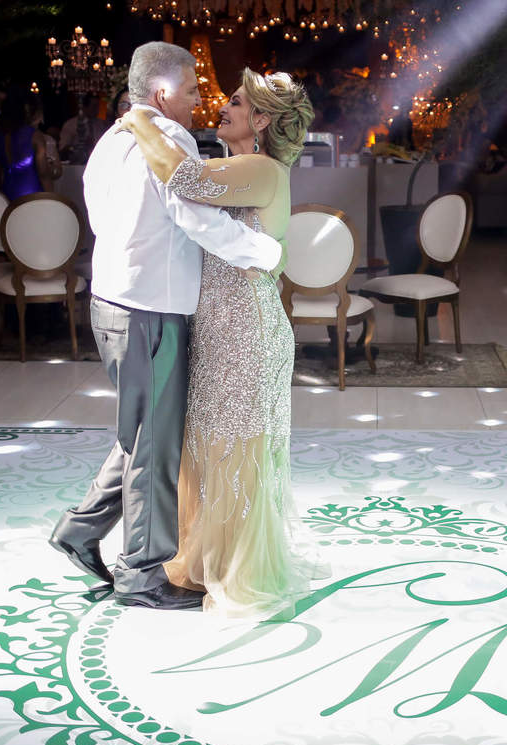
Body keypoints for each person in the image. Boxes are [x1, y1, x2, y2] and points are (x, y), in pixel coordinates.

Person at [47, 42, 284, 611]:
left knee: (142, 435)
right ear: (161, 94)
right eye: (193, 90)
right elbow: (192, 211)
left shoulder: (110, 139)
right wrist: (262, 250)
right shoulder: (170, 140)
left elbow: (102, 215)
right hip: (150, 311)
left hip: (110, 304)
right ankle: (141, 576)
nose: (201, 102)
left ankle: (81, 530)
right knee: (155, 448)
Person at [120, 67, 325, 616]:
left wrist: (140, 119)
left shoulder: (261, 168)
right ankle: (206, 558)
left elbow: (181, 179)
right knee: (208, 446)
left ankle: (237, 570)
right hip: (216, 324)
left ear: (260, 119)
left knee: (233, 448)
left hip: (244, 331)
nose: (222, 107)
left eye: (235, 102)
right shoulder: (240, 166)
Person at [0, 91, 52, 200]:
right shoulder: (34, 135)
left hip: (7, 191)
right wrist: (52, 199)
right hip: (31, 192)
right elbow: (43, 174)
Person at [60, 93, 109, 165]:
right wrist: (78, 147)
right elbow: (63, 148)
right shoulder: (71, 124)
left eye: (98, 106)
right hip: (77, 164)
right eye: (94, 106)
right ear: (85, 107)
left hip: (99, 162)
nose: (97, 109)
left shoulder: (102, 124)